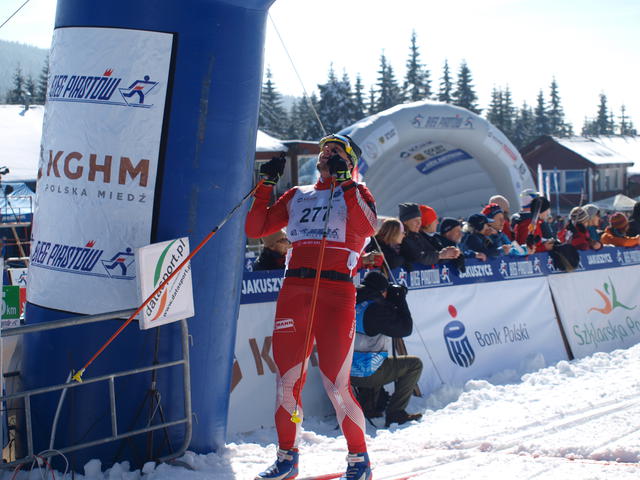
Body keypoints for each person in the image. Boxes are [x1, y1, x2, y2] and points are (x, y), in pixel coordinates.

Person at [245, 133, 376, 480]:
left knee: (336, 385)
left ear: (349, 162)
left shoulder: (357, 193)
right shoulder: (297, 194)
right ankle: (287, 458)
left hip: (336, 293)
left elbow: (367, 227)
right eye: (324, 149)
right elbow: (256, 228)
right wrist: (265, 186)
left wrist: (346, 182)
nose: (327, 153)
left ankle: (359, 460)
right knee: (287, 382)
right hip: (295, 292)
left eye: (336, 150)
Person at [350, 271, 423, 427]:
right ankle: (396, 413)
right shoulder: (375, 310)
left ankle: (369, 407)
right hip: (366, 373)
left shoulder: (354, 303)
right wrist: (400, 301)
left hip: (346, 373)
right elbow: (405, 329)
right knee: (414, 365)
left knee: (376, 358)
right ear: (382, 291)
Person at [399, 202, 459, 268]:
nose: (419, 223)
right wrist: (441, 255)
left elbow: (432, 252)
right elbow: (421, 257)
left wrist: (450, 255)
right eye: (415, 220)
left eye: (420, 219)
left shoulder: (417, 236)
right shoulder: (402, 237)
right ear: (405, 222)